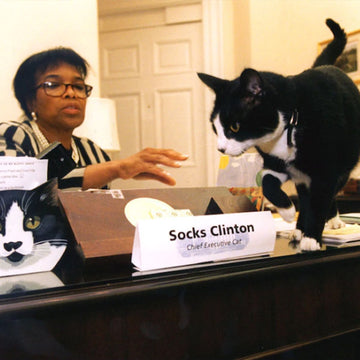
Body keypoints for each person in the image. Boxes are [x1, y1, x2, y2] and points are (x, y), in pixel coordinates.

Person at [0, 47, 188, 189]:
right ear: (30, 100)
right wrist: (118, 169)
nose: (71, 93)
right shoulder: (11, 135)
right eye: (54, 85)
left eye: (79, 86)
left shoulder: (92, 151)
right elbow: (23, 194)